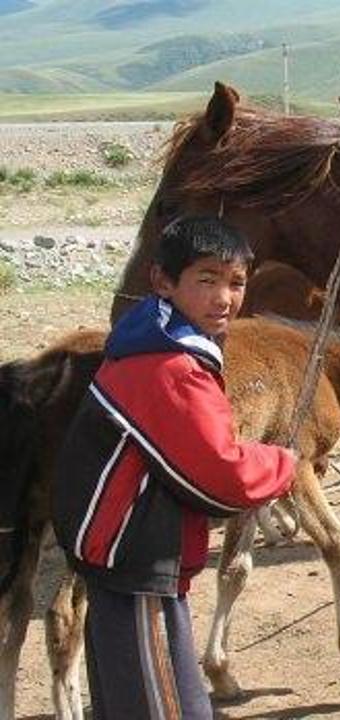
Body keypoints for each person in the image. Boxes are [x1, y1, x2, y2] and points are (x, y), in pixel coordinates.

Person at [53, 216, 296, 720]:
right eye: (206, 280)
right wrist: (282, 464)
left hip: (122, 561)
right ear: (163, 281)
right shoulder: (171, 369)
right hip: (135, 568)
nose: (224, 298)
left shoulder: (154, 346)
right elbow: (222, 476)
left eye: (236, 283)